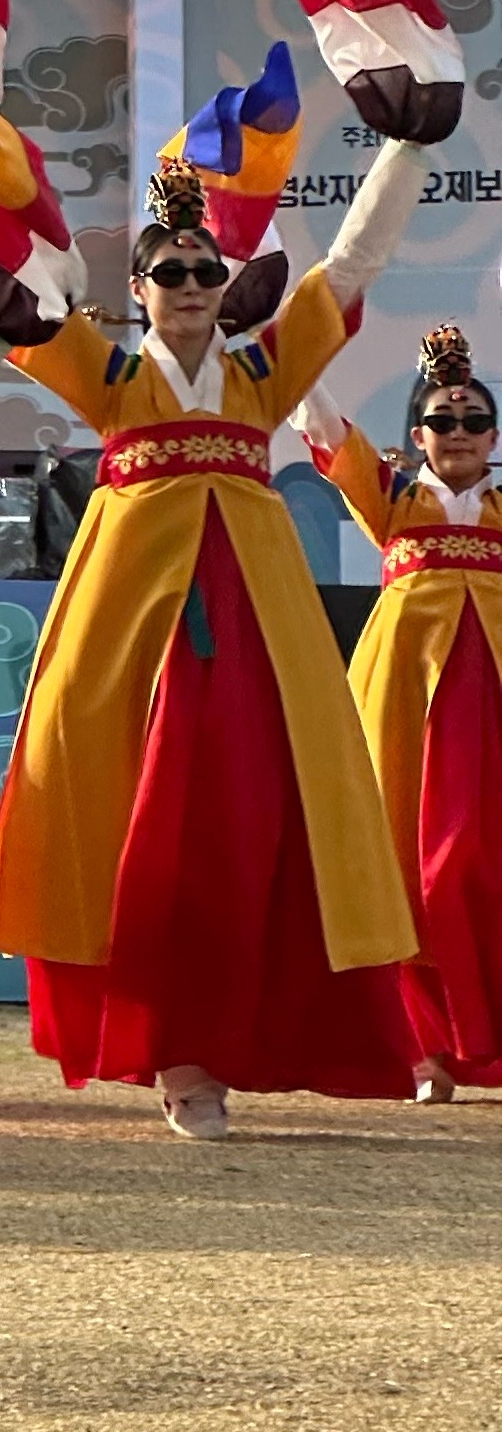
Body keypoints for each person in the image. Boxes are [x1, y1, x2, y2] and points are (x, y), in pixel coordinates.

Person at [0, 150, 423, 1136]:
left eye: (209, 271)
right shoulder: (112, 373)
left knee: (247, 831)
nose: (194, 287)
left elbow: (347, 268)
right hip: (132, 634)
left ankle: (229, 1041)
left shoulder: (263, 372)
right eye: (171, 272)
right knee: (140, 833)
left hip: (256, 636)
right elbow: (21, 305)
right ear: (140, 290)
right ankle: (176, 1053)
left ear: (231, 284)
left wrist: (406, 147)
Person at [305, 325, 502, 1100]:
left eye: (475, 421)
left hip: (490, 707)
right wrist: (277, 344)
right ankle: (420, 1048)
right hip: (403, 711)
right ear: (415, 435)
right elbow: (320, 426)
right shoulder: (392, 499)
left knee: (480, 867)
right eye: (443, 422)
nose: (459, 434)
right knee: (406, 866)